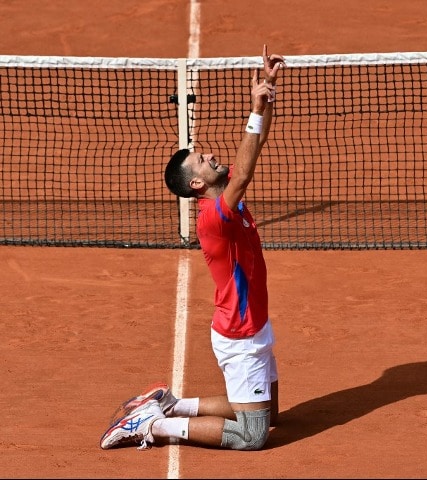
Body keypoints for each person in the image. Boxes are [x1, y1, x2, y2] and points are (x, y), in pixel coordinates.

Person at [100, 44, 285, 451]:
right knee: (253, 436)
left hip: (255, 324)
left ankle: (171, 405)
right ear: (198, 184)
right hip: (242, 335)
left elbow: (253, 151)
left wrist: (266, 93)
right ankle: (154, 427)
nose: (213, 155)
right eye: (203, 159)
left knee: (269, 414)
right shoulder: (214, 216)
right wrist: (255, 107)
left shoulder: (224, 196)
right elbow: (246, 169)